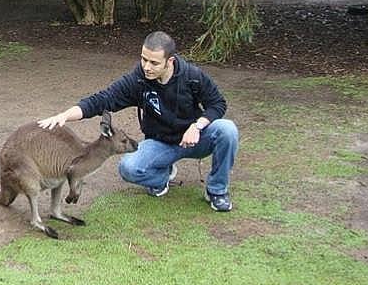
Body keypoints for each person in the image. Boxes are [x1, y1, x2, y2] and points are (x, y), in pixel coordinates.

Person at [38, 30, 238, 212]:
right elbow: (102, 99)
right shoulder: (139, 80)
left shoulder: (192, 77)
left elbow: (217, 104)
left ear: (170, 61)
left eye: (154, 63)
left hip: (193, 139)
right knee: (129, 168)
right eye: (144, 60)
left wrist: (197, 126)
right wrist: (64, 116)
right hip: (161, 143)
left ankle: (217, 190)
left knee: (227, 130)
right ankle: (162, 176)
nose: (147, 67)